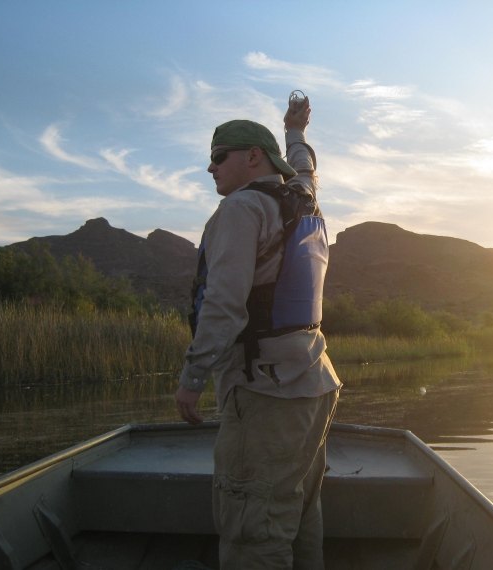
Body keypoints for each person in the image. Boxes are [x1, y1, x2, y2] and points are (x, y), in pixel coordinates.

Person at [175, 96, 341, 569]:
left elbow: (224, 306)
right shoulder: (304, 198)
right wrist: (295, 133)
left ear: (253, 157)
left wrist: (192, 381)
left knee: (254, 529)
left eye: (219, 155)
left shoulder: (241, 209)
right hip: (315, 385)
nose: (210, 168)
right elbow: (305, 166)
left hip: (264, 393)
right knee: (300, 512)